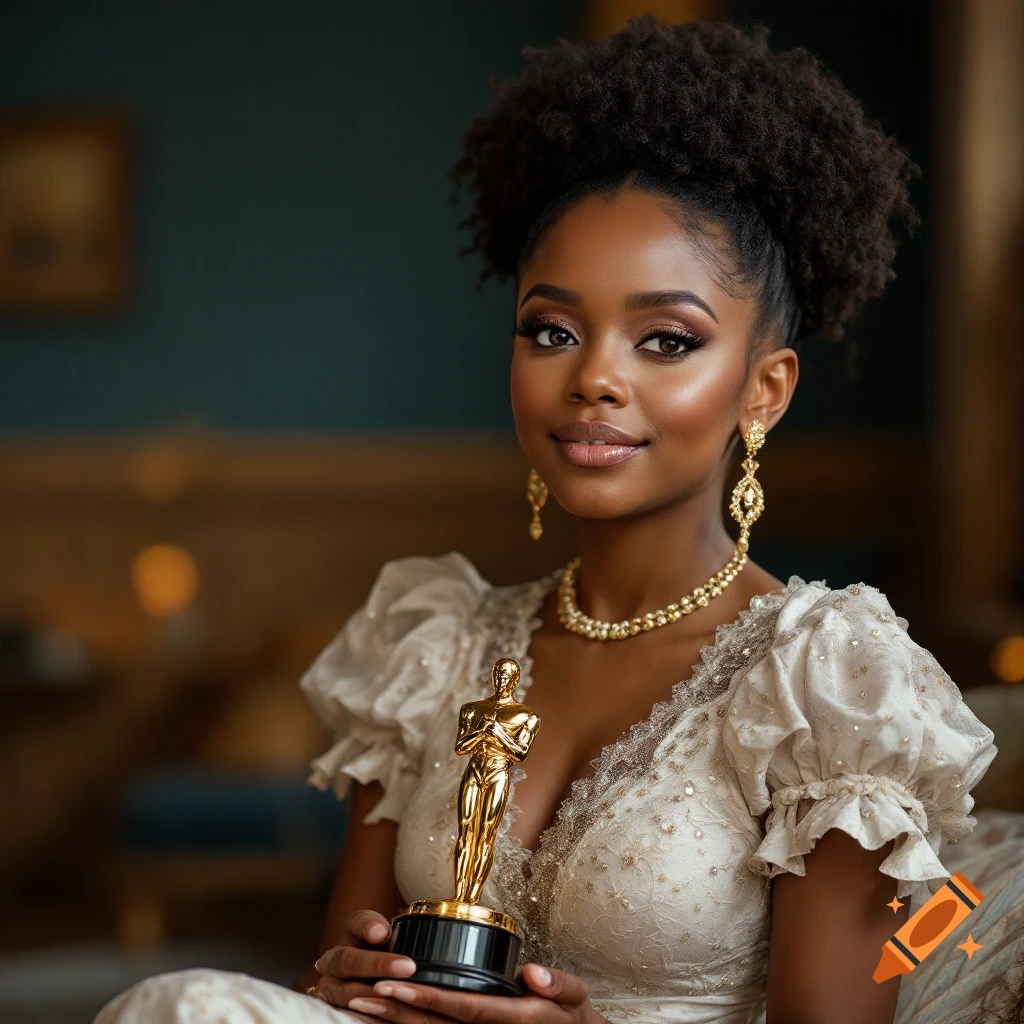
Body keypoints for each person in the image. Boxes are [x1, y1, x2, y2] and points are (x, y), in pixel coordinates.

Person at [94, 15, 1024, 1024]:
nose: (593, 378)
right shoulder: (432, 645)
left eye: (665, 340)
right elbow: (333, 977)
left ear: (763, 390)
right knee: (182, 1004)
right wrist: (347, 979)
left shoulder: (822, 687)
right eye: (551, 330)